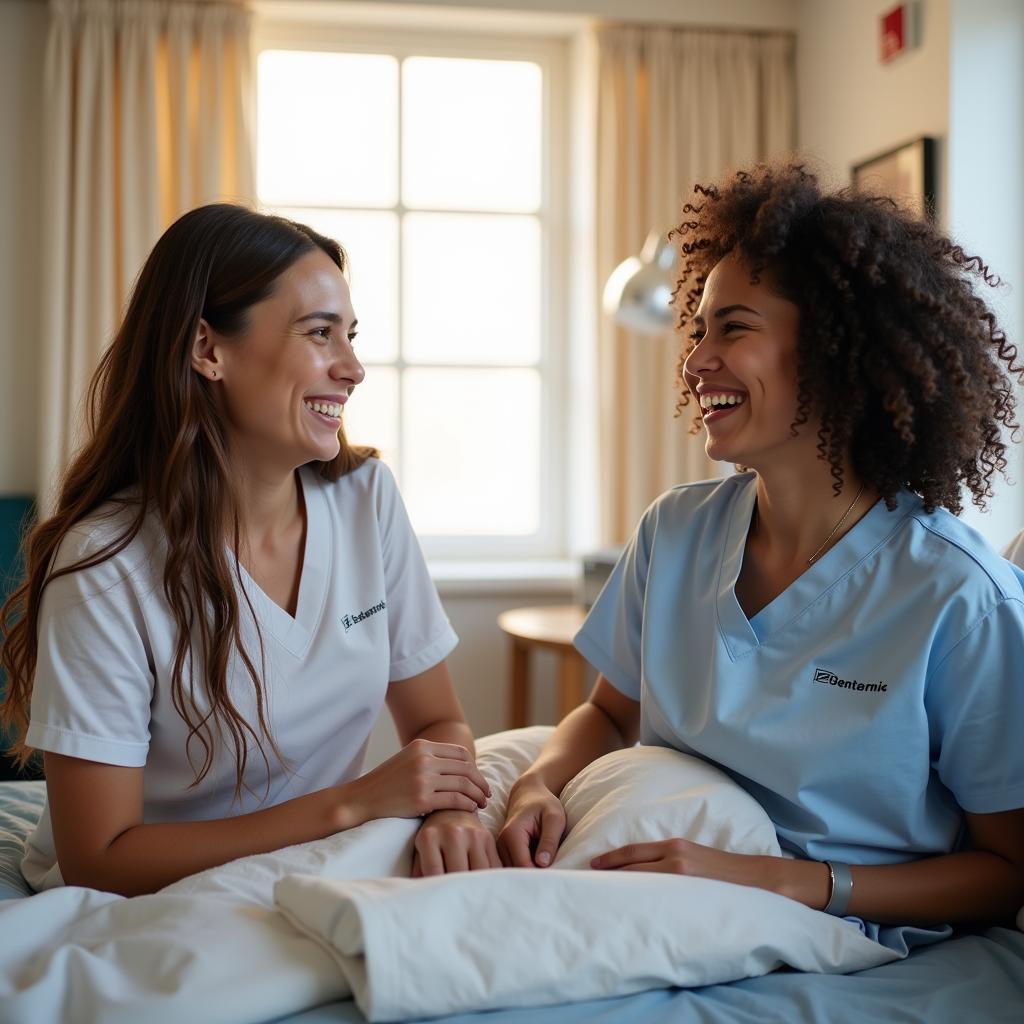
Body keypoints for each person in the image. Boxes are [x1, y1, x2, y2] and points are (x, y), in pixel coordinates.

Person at [497, 163, 1024, 951]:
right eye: (699, 328)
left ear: (835, 352)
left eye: (733, 328)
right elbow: (611, 712)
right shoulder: (675, 533)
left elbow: (1009, 867)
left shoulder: (958, 597)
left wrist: (791, 883)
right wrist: (537, 783)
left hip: (837, 936)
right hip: (655, 897)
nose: (695, 360)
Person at [0, 204, 499, 896]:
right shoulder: (106, 565)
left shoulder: (367, 501)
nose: (353, 368)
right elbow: (99, 857)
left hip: (318, 867)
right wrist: (349, 805)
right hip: (153, 897)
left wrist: (448, 808)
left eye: (350, 336)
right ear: (208, 350)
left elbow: (439, 720)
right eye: (320, 334)